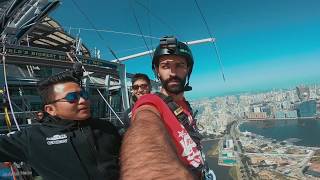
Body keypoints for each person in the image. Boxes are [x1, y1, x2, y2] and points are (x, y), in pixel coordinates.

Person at [120, 36, 215, 179]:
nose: (173, 73)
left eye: (180, 65)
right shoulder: (150, 102)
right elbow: (145, 129)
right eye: (165, 66)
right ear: (157, 71)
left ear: (187, 69)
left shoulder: (184, 105)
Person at [0, 71, 121, 180]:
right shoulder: (32, 138)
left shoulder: (106, 127)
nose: (83, 100)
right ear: (51, 109)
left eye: (83, 94)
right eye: (72, 97)